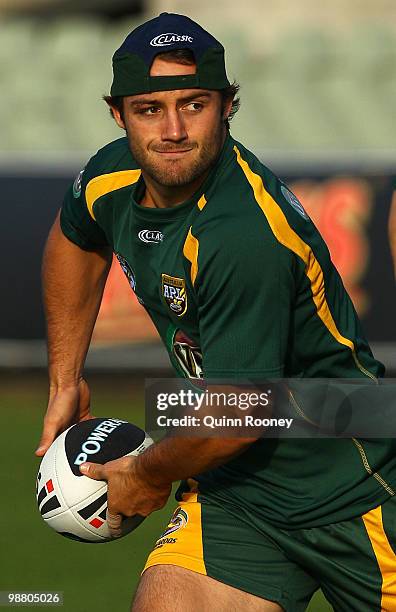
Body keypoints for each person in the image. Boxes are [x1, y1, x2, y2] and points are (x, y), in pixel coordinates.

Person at [36, 12, 396, 612]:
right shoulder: (111, 175)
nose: (172, 129)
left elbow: (236, 416)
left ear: (228, 105)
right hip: (236, 495)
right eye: (150, 108)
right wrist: (64, 381)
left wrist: (147, 475)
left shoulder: (241, 234)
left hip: (352, 493)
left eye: (194, 104)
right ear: (117, 113)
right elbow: (76, 238)